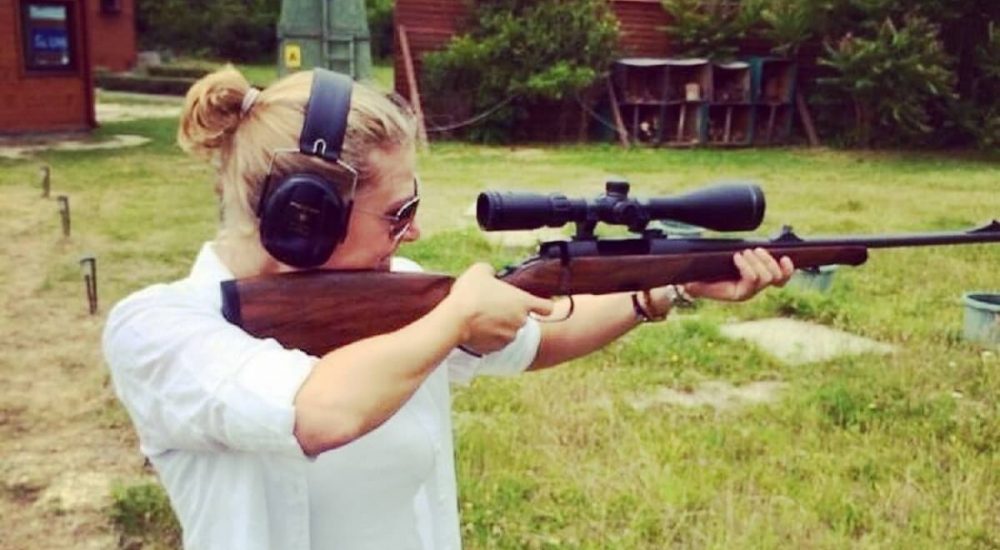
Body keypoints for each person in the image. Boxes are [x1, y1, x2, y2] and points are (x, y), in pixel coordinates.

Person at [102, 65, 794, 550]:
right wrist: (455, 319)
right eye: (397, 212)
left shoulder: (402, 297)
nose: (414, 233)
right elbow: (320, 411)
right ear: (304, 217)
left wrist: (666, 286)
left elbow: (541, 336)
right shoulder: (158, 329)